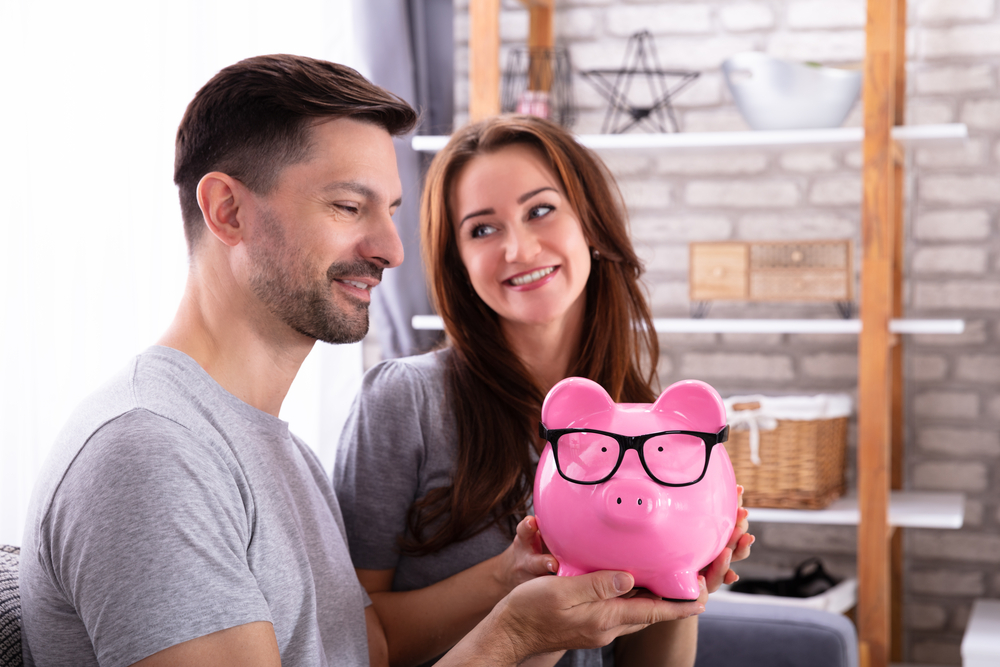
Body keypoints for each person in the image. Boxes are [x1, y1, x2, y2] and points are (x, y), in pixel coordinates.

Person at [19, 55, 711, 667]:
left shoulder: (279, 454)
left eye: (391, 211)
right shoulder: (149, 453)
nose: (392, 248)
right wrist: (511, 635)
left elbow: (367, 648)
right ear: (227, 210)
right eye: (350, 205)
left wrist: (513, 579)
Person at [335, 115, 754, 667]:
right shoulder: (403, 402)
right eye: (483, 229)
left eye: (540, 210)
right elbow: (347, 640)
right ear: (458, 263)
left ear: (592, 225)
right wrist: (511, 577)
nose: (520, 249)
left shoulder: (644, 418)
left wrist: (690, 579)